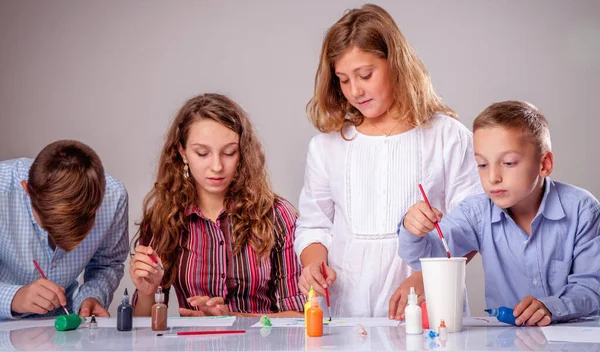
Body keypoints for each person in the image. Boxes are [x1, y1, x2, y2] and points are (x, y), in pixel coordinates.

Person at [295, 3, 481, 318]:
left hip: (427, 302)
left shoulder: (447, 136)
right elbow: (315, 224)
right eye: (343, 79)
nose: (355, 90)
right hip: (349, 301)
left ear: (395, 63)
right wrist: (313, 263)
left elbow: (473, 223)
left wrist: (427, 278)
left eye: (365, 74)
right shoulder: (327, 147)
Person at [399, 101, 600, 326]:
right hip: (506, 341)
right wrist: (412, 229)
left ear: (544, 164)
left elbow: (591, 286)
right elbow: (426, 259)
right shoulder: (476, 212)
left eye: (508, 162)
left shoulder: (582, 209)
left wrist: (551, 307)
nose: (493, 177)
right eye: (482, 165)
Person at [130, 93, 304, 317]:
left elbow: (300, 319)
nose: (217, 166)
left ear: (242, 153)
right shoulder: (164, 218)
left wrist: (231, 318)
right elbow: (142, 330)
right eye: (202, 153)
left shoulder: (277, 215)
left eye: (229, 152)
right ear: (182, 152)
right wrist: (147, 293)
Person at [0, 140, 129, 319]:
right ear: (27, 191)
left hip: (63, 332)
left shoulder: (113, 198)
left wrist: (92, 296)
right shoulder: (2, 189)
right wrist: (14, 298)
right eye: (49, 227)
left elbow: (107, 264)